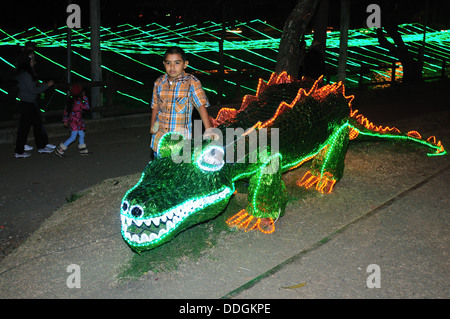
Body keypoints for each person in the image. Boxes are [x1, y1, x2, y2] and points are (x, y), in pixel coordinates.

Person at [150, 46, 214, 158]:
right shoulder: (159, 83)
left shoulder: (192, 82)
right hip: (159, 140)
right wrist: (152, 125)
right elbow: (155, 106)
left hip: (180, 142)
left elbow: (201, 106)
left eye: (177, 63)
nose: (172, 67)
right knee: (160, 172)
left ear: (185, 64)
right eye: (168, 63)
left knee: (177, 172)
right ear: (164, 64)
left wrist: (209, 129)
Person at [14, 53, 55, 158]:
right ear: (28, 62)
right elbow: (33, 90)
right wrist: (47, 85)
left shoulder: (28, 73)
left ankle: (41, 147)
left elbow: (35, 86)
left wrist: (43, 85)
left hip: (30, 103)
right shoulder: (26, 75)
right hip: (27, 104)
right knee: (24, 128)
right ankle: (19, 151)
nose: (35, 62)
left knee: (37, 125)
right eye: (33, 60)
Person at [55, 83, 91, 157]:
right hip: (76, 122)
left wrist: (65, 120)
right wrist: (85, 97)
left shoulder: (70, 100)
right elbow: (87, 107)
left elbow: (66, 111)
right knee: (73, 137)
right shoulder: (79, 101)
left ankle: (83, 149)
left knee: (81, 134)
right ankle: (60, 149)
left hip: (74, 121)